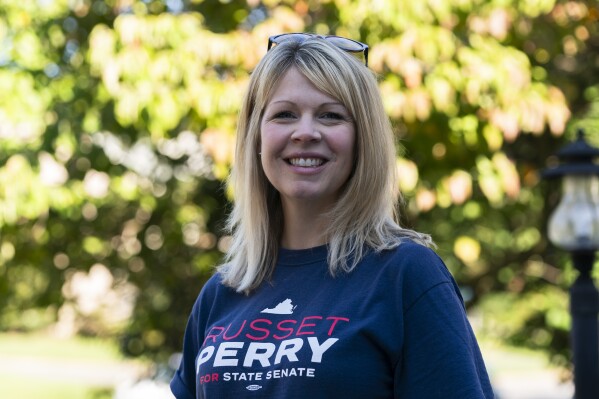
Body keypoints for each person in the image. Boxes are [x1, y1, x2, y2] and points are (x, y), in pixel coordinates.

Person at [170, 33, 495, 399]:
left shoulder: (406, 276)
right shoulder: (223, 292)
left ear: (363, 139)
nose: (305, 132)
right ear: (256, 137)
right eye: (285, 114)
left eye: (330, 115)